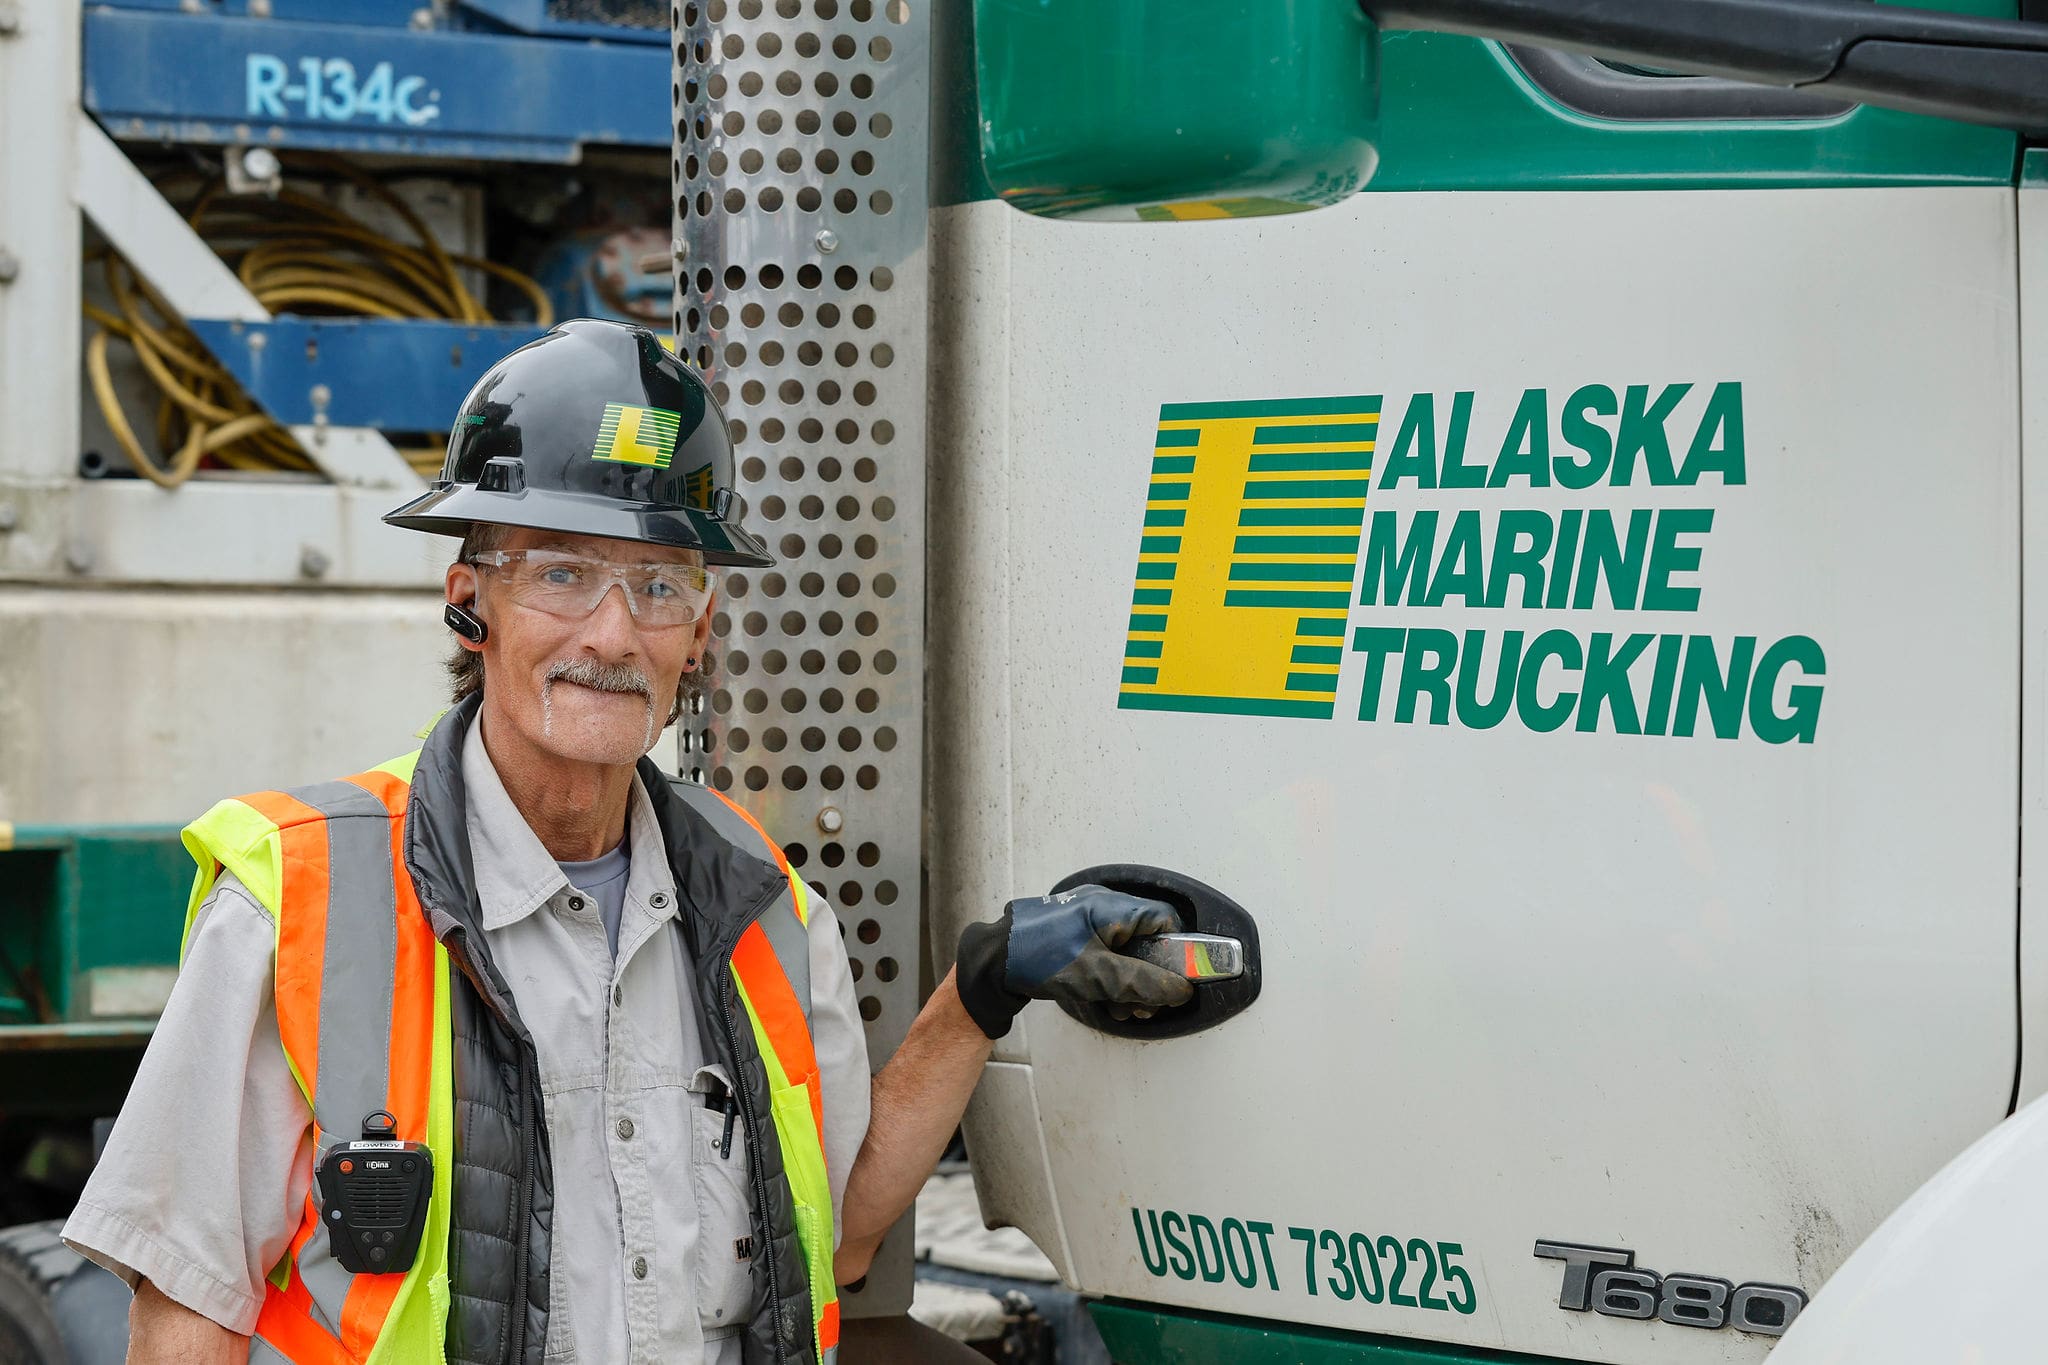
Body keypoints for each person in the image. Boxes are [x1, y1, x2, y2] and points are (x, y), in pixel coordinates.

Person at [60, 319, 1193, 1365]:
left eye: (657, 585)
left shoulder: (764, 908)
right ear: (470, 601)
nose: (612, 633)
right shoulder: (303, 897)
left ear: (698, 633)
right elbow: (190, 1299)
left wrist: (975, 995)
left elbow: (834, 1241)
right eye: (560, 572)